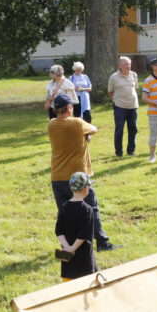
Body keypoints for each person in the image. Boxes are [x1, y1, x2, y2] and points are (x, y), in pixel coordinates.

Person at [48, 94, 115, 251]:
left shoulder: (51, 124)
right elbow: (94, 129)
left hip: (57, 176)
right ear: (70, 108)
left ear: (56, 110)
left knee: (65, 213)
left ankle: (69, 246)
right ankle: (103, 243)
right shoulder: (78, 123)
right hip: (77, 177)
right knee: (91, 208)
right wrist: (86, 136)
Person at [55, 171, 99, 281]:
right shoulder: (87, 210)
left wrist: (67, 248)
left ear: (71, 189)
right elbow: (84, 234)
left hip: (67, 260)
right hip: (84, 262)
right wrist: (72, 249)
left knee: (68, 289)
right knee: (86, 288)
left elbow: (58, 231)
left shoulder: (64, 207)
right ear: (86, 189)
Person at [107, 56, 139, 157]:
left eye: (129, 64)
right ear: (120, 66)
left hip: (133, 106)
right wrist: (117, 100)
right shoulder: (114, 77)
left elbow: (135, 88)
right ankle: (119, 152)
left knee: (133, 129)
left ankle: (131, 151)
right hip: (119, 107)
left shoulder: (134, 75)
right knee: (119, 130)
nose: (128, 66)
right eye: (125, 64)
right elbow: (110, 92)